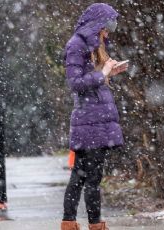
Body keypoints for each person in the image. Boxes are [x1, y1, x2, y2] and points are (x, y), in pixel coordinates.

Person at [61, 3, 127, 230]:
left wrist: (110, 72)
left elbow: (91, 79)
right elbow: (75, 83)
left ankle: (69, 222)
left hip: (92, 121)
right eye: (106, 28)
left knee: (80, 175)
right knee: (92, 177)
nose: (108, 33)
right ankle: (95, 224)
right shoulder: (76, 45)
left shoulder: (88, 46)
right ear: (97, 25)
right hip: (90, 122)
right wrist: (103, 73)